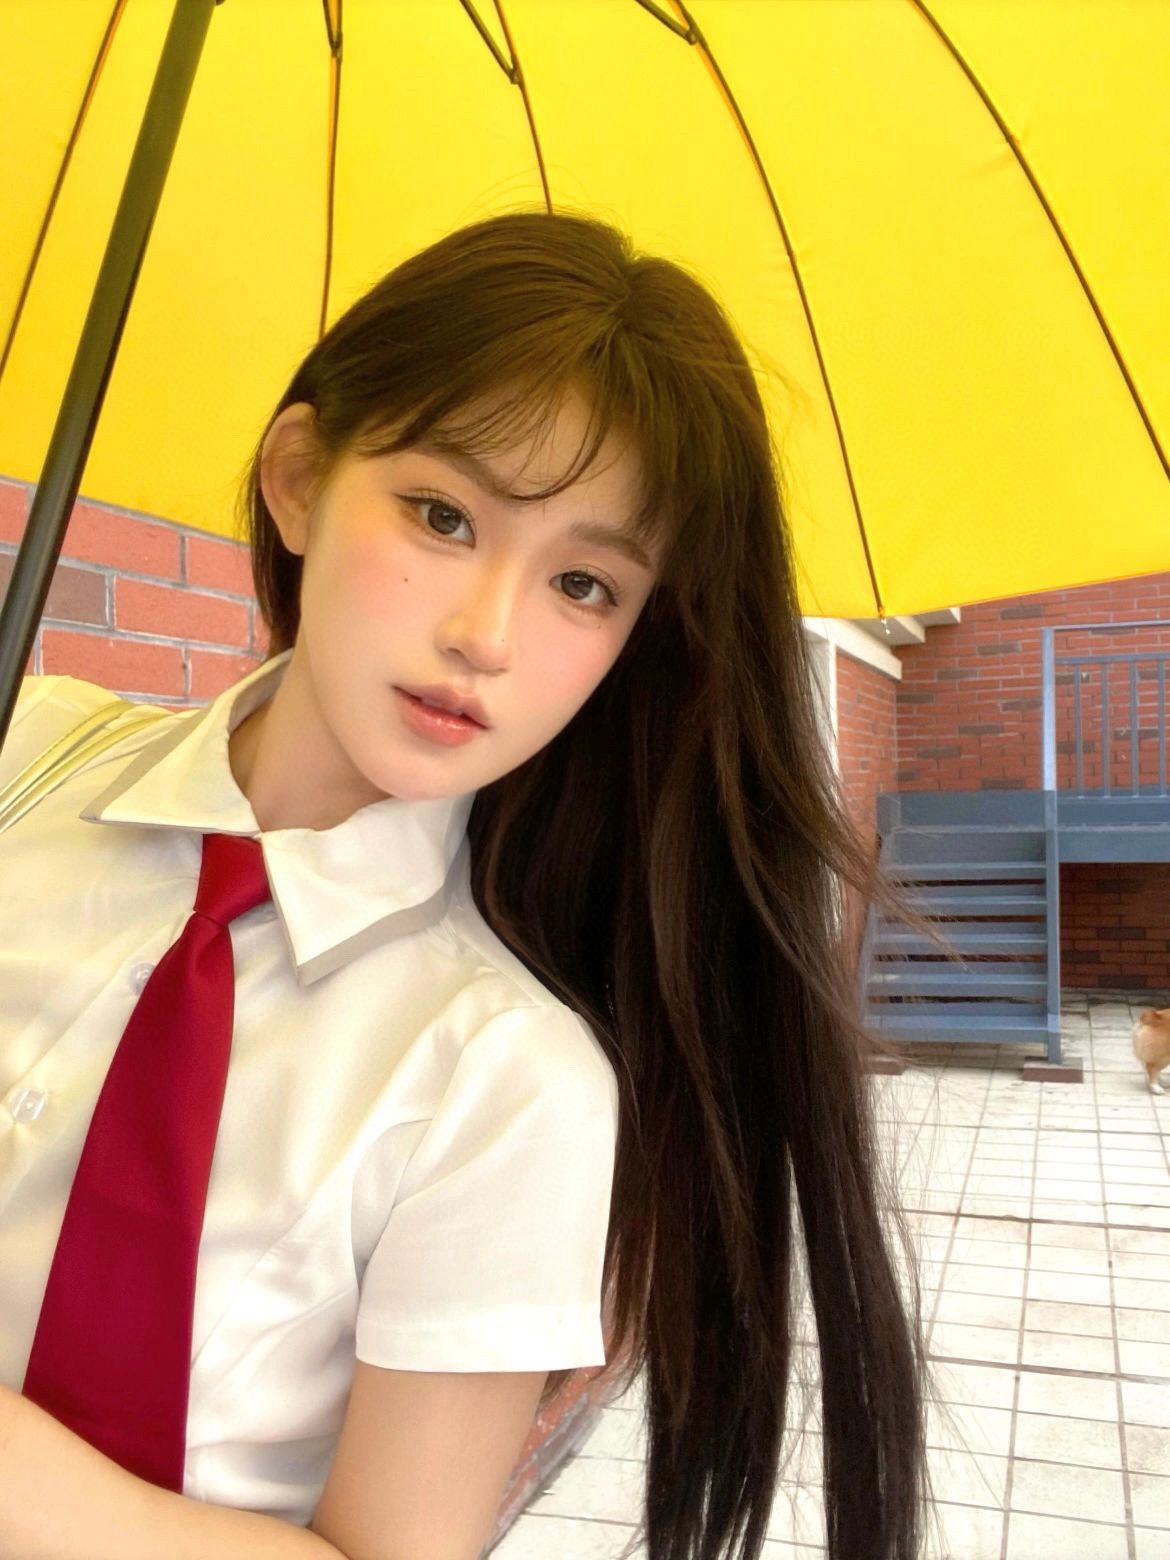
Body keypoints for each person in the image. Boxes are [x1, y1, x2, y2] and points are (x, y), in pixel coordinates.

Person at [0, 211, 929, 1560]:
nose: (485, 635)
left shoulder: (508, 1083)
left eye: (584, 584)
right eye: (443, 516)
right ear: (300, 479)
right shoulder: (23, 757)